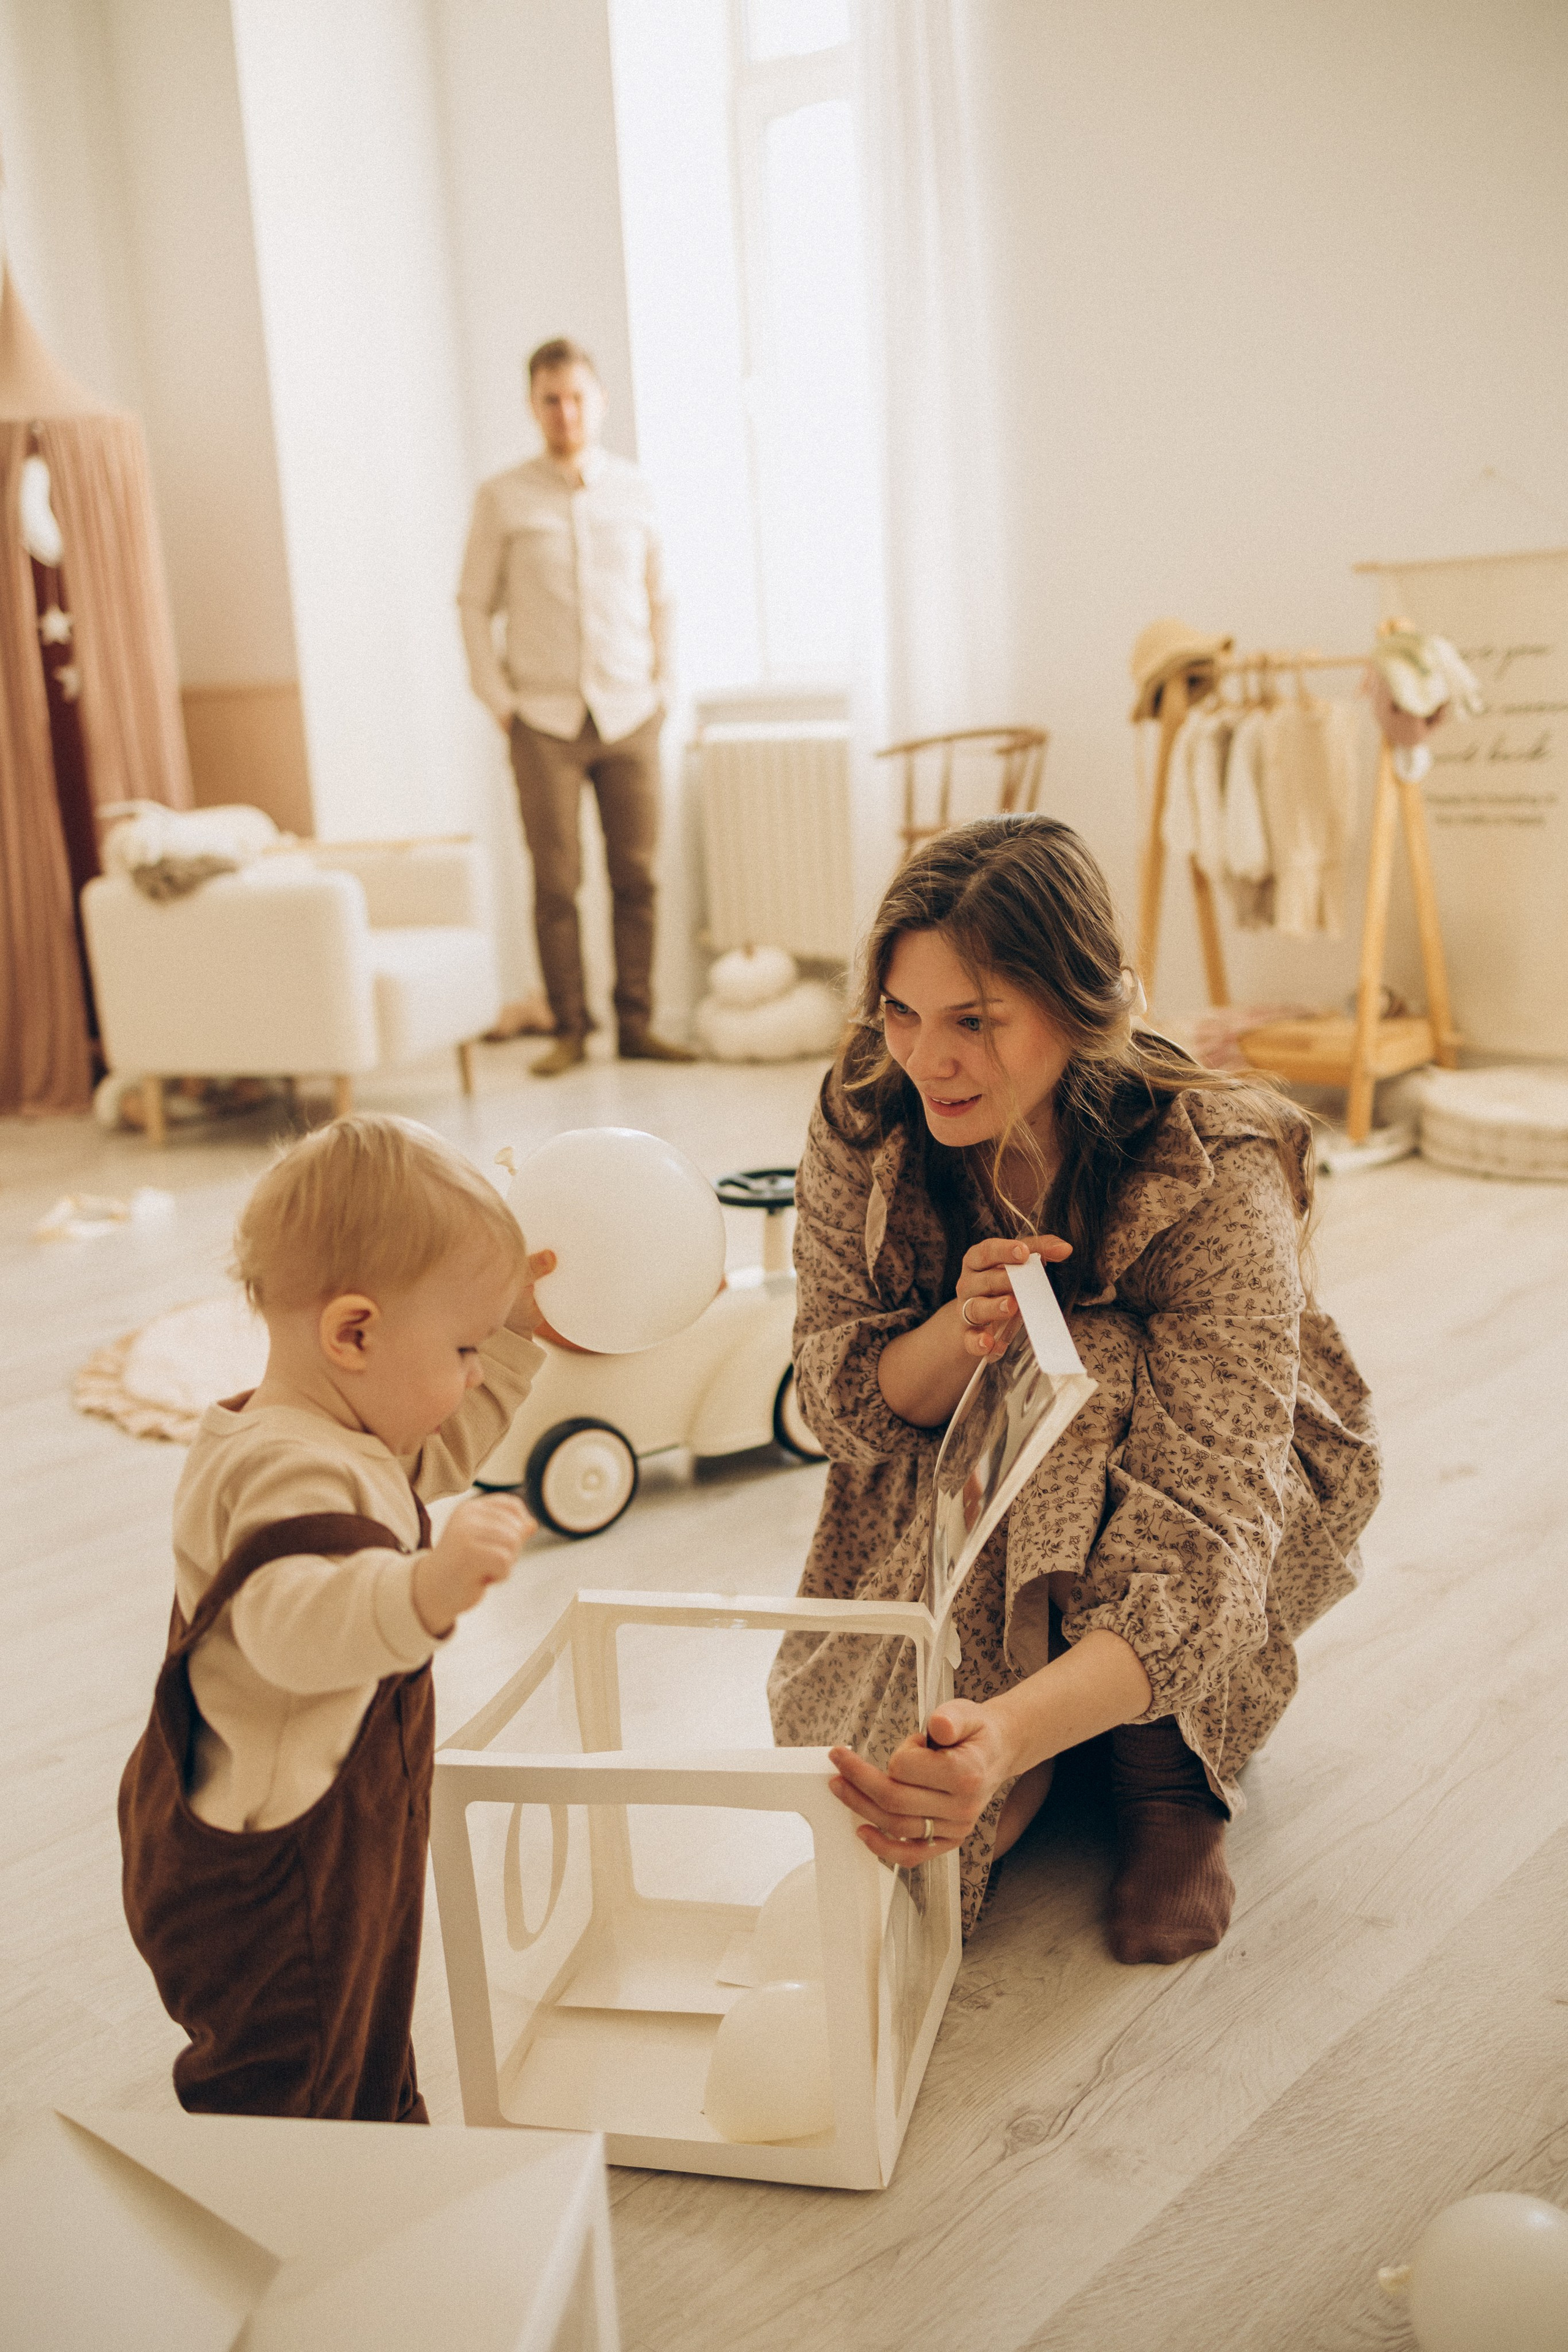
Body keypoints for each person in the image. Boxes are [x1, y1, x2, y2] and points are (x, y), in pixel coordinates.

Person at [769, 815, 1381, 1962]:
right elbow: (839, 1396)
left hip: (1228, 1478)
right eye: (901, 1012)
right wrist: (960, 1333)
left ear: (1081, 1008)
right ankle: (1054, 1721)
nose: (927, 1057)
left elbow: (1214, 1521)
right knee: (885, 1805)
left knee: (1089, 1356)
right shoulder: (869, 1111)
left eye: (975, 1023)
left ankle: (1164, 1772)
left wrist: (994, 1740)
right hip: (966, 1461)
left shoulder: (1213, 1165)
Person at [119, 1115, 552, 2119]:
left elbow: (435, 1444)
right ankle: (302, 2220)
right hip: (278, 1881)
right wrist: (424, 1589)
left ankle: (374, 2136)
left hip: (320, 1828)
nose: (474, 1374)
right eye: (462, 1346)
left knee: (359, 2043)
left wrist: (516, 1324)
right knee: (299, 2090)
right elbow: (288, 1621)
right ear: (355, 1332)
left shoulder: (337, 1427)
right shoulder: (288, 1468)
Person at [458, 336, 694, 1076]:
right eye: (551, 399)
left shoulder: (637, 489)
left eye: (578, 397)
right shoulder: (502, 497)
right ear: (534, 406)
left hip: (630, 714)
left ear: (600, 401)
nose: (566, 412)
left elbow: (664, 598)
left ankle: (637, 1023)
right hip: (544, 721)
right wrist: (500, 702)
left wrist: (663, 691)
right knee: (555, 882)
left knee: (638, 876)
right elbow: (471, 604)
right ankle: (569, 1028)